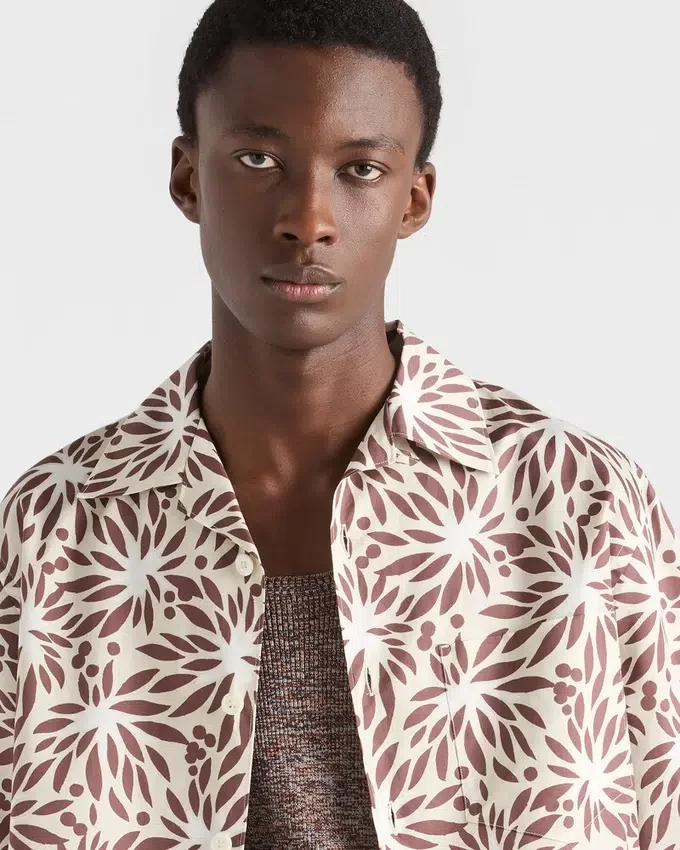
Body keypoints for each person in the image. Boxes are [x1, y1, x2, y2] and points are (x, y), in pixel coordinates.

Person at [0, 0, 677, 847]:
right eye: (258, 159)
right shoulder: (56, 532)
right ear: (188, 179)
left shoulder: (580, 507)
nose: (308, 220)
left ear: (414, 199)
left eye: (360, 169)